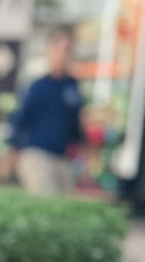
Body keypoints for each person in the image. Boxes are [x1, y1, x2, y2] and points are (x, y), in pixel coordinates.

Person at [5, 30, 85, 196]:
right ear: (50, 51)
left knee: (66, 204)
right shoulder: (37, 86)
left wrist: (83, 151)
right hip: (36, 153)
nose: (62, 54)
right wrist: (11, 154)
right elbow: (21, 120)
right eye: (59, 49)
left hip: (61, 156)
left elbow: (75, 124)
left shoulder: (72, 86)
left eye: (67, 49)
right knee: (45, 198)